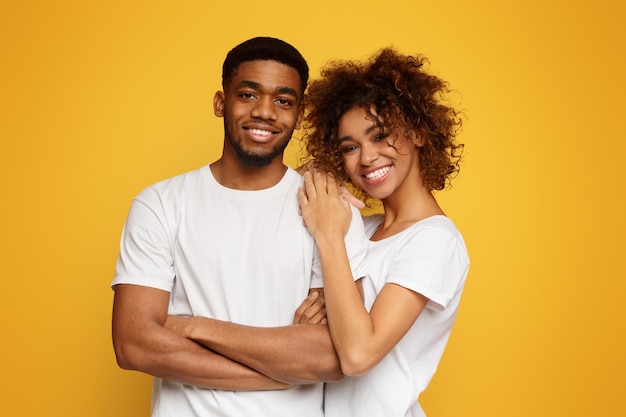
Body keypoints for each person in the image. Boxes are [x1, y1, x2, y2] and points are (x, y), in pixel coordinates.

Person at [111, 36, 366, 417]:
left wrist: (192, 326)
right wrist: (282, 371)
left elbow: (330, 355)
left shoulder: (328, 210)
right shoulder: (161, 204)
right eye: (248, 94)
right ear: (220, 102)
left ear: (298, 113)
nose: (265, 112)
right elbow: (134, 345)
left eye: (283, 100)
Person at [297, 47, 470, 417]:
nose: (367, 157)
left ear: (419, 133)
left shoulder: (435, 241)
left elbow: (359, 354)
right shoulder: (363, 228)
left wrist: (329, 234)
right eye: (350, 147)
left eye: (380, 136)